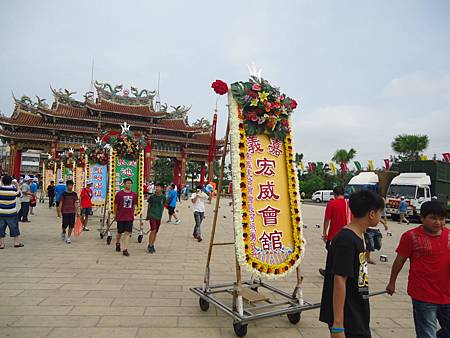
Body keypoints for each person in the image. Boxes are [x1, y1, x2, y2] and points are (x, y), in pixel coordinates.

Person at [319, 190, 384, 338]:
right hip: (348, 315)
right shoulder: (346, 240)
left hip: (356, 308)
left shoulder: (358, 236)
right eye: (380, 212)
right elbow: (339, 280)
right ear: (372, 214)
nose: (381, 217)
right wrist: (338, 326)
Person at [386, 201, 449, 338]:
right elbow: (399, 261)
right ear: (422, 218)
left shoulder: (449, 235)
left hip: (447, 293)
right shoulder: (411, 236)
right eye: (433, 218)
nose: (438, 222)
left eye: (442, 218)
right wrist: (392, 282)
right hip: (423, 294)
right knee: (427, 333)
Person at [319, 186, 350, 277]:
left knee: (332, 255)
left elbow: (327, 220)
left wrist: (325, 232)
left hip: (334, 236)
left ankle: (329, 272)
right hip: (348, 234)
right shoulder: (349, 204)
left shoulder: (332, 203)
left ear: (334, 194)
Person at [114, 178, 137, 256]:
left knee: (128, 233)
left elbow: (134, 205)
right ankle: (117, 242)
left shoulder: (134, 194)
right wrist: (115, 214)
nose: (129, 184)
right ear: (124, 184)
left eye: (130, 183)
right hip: (120, 216)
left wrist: (134, 213)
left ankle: (125, 249)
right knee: (120, 232)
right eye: (127, 183)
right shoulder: (119, 194)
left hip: (129, 217)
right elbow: (116, 205)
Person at [0, 175, 23, 249]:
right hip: (11, 212)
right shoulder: (13, 190)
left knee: (1, 228)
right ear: (11, 182)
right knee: (14, 227)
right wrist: (17, 184)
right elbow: (20, 194)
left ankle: (2, 244)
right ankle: (16, 242)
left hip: (1, 212)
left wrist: (1, 180)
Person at [146, 182, 166, 254]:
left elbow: (163, 206)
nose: (157, 188)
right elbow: (149, 206)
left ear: (162, 189)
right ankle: (150, 245)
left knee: (156, 231)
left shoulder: (163, 197)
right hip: (152, 215)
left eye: (158, 187)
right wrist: (148, 215)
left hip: (159, 216)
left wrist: (161, 214)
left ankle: (152, 244)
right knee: (153, 230)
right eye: (156, 187)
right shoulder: (152, 197)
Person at [58, 180, 79, 244]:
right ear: (67, 186)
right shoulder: (64, 194)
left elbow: (76, 203)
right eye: (69, 185)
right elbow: (61, 203)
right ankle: (63, 231)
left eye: (72, 185)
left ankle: (68, 237)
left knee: (71, 225)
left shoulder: (74, 194)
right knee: (65, 224)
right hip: (65, 211)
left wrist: (77, 211)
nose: (71, 186)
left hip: (72, 211)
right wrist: (59, 212)